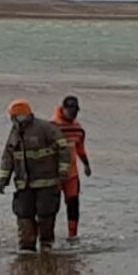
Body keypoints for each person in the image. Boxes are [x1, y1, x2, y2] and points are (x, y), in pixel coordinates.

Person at [0, 99, 71, 252]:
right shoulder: (15, 132)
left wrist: (63, 171)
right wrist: (3, 178)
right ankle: (27, 249)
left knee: (46, 216)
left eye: (13, 116)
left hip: (46, 183)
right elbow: (8, 156)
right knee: (24, 216)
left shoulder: (46, 128)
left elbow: (64, 149)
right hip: (24, 184)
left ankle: (46, 246)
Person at [51, 95, 92, 240]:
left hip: (72, 174)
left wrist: (86, 164)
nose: (73, 113)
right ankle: (47, 236)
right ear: (63, 109)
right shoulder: (52, 126)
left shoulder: (78, 129)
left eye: (75, 111)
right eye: (70, 110)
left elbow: (80, 148)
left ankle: (72, 236)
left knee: (73, 205)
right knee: (51, 207)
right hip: (54, 174)